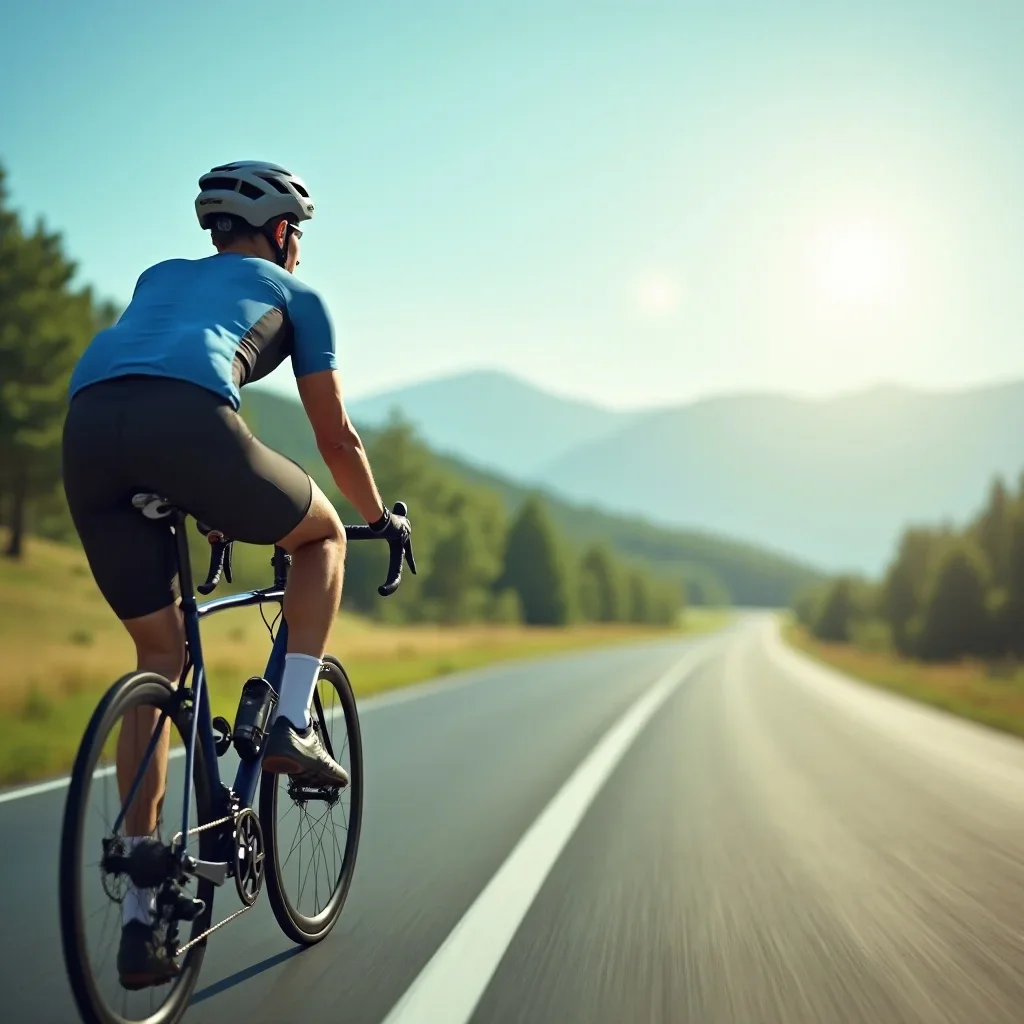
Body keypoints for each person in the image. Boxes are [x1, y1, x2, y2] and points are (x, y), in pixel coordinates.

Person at [61, 160, 410, 989]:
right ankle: (291, 721)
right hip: (184, 422)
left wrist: (208, 496)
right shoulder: (298, 296)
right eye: (301, 236)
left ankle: (142, 908)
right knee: (319, 537)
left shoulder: (159, 277)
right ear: (285, 232)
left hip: (85, 431)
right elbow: (335, 440)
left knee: (159, 657)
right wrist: (375, 518)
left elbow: (150, 378)